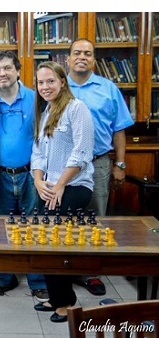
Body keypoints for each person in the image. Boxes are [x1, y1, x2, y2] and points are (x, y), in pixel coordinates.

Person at [66, 38, 134, 296]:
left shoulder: (108, 89)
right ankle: (64, 269)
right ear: (68, 59)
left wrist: (120, 164)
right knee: (65, 217)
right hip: (65, 165)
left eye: (87, 53)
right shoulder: (59, 87)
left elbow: (119, 131)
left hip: (98, 163)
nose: (82, 57)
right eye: (77, 53)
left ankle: (90, 271)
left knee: (94, 217)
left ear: (94, 59)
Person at [31, 61, 94, 323]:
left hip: (74, 187)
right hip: (48, 187)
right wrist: (37, 181)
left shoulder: (76, 108)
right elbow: (37, 152)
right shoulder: (46, 111)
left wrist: (59, 186)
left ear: (62, 82)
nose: (45, 87)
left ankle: (66, 303)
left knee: (56, 244)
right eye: (40, 82)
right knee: (44, 243)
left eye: (50, 81)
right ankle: (57, 297)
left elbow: (81, 153)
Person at [0, 50, 49, 302]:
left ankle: (38, 280)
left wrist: (40, 175)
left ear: (18, 70)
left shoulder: (35, 98)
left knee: (33, 226)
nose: (2, 73)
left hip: (31, 174)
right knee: (2, 227)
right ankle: (3, 278)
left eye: (7, 68)